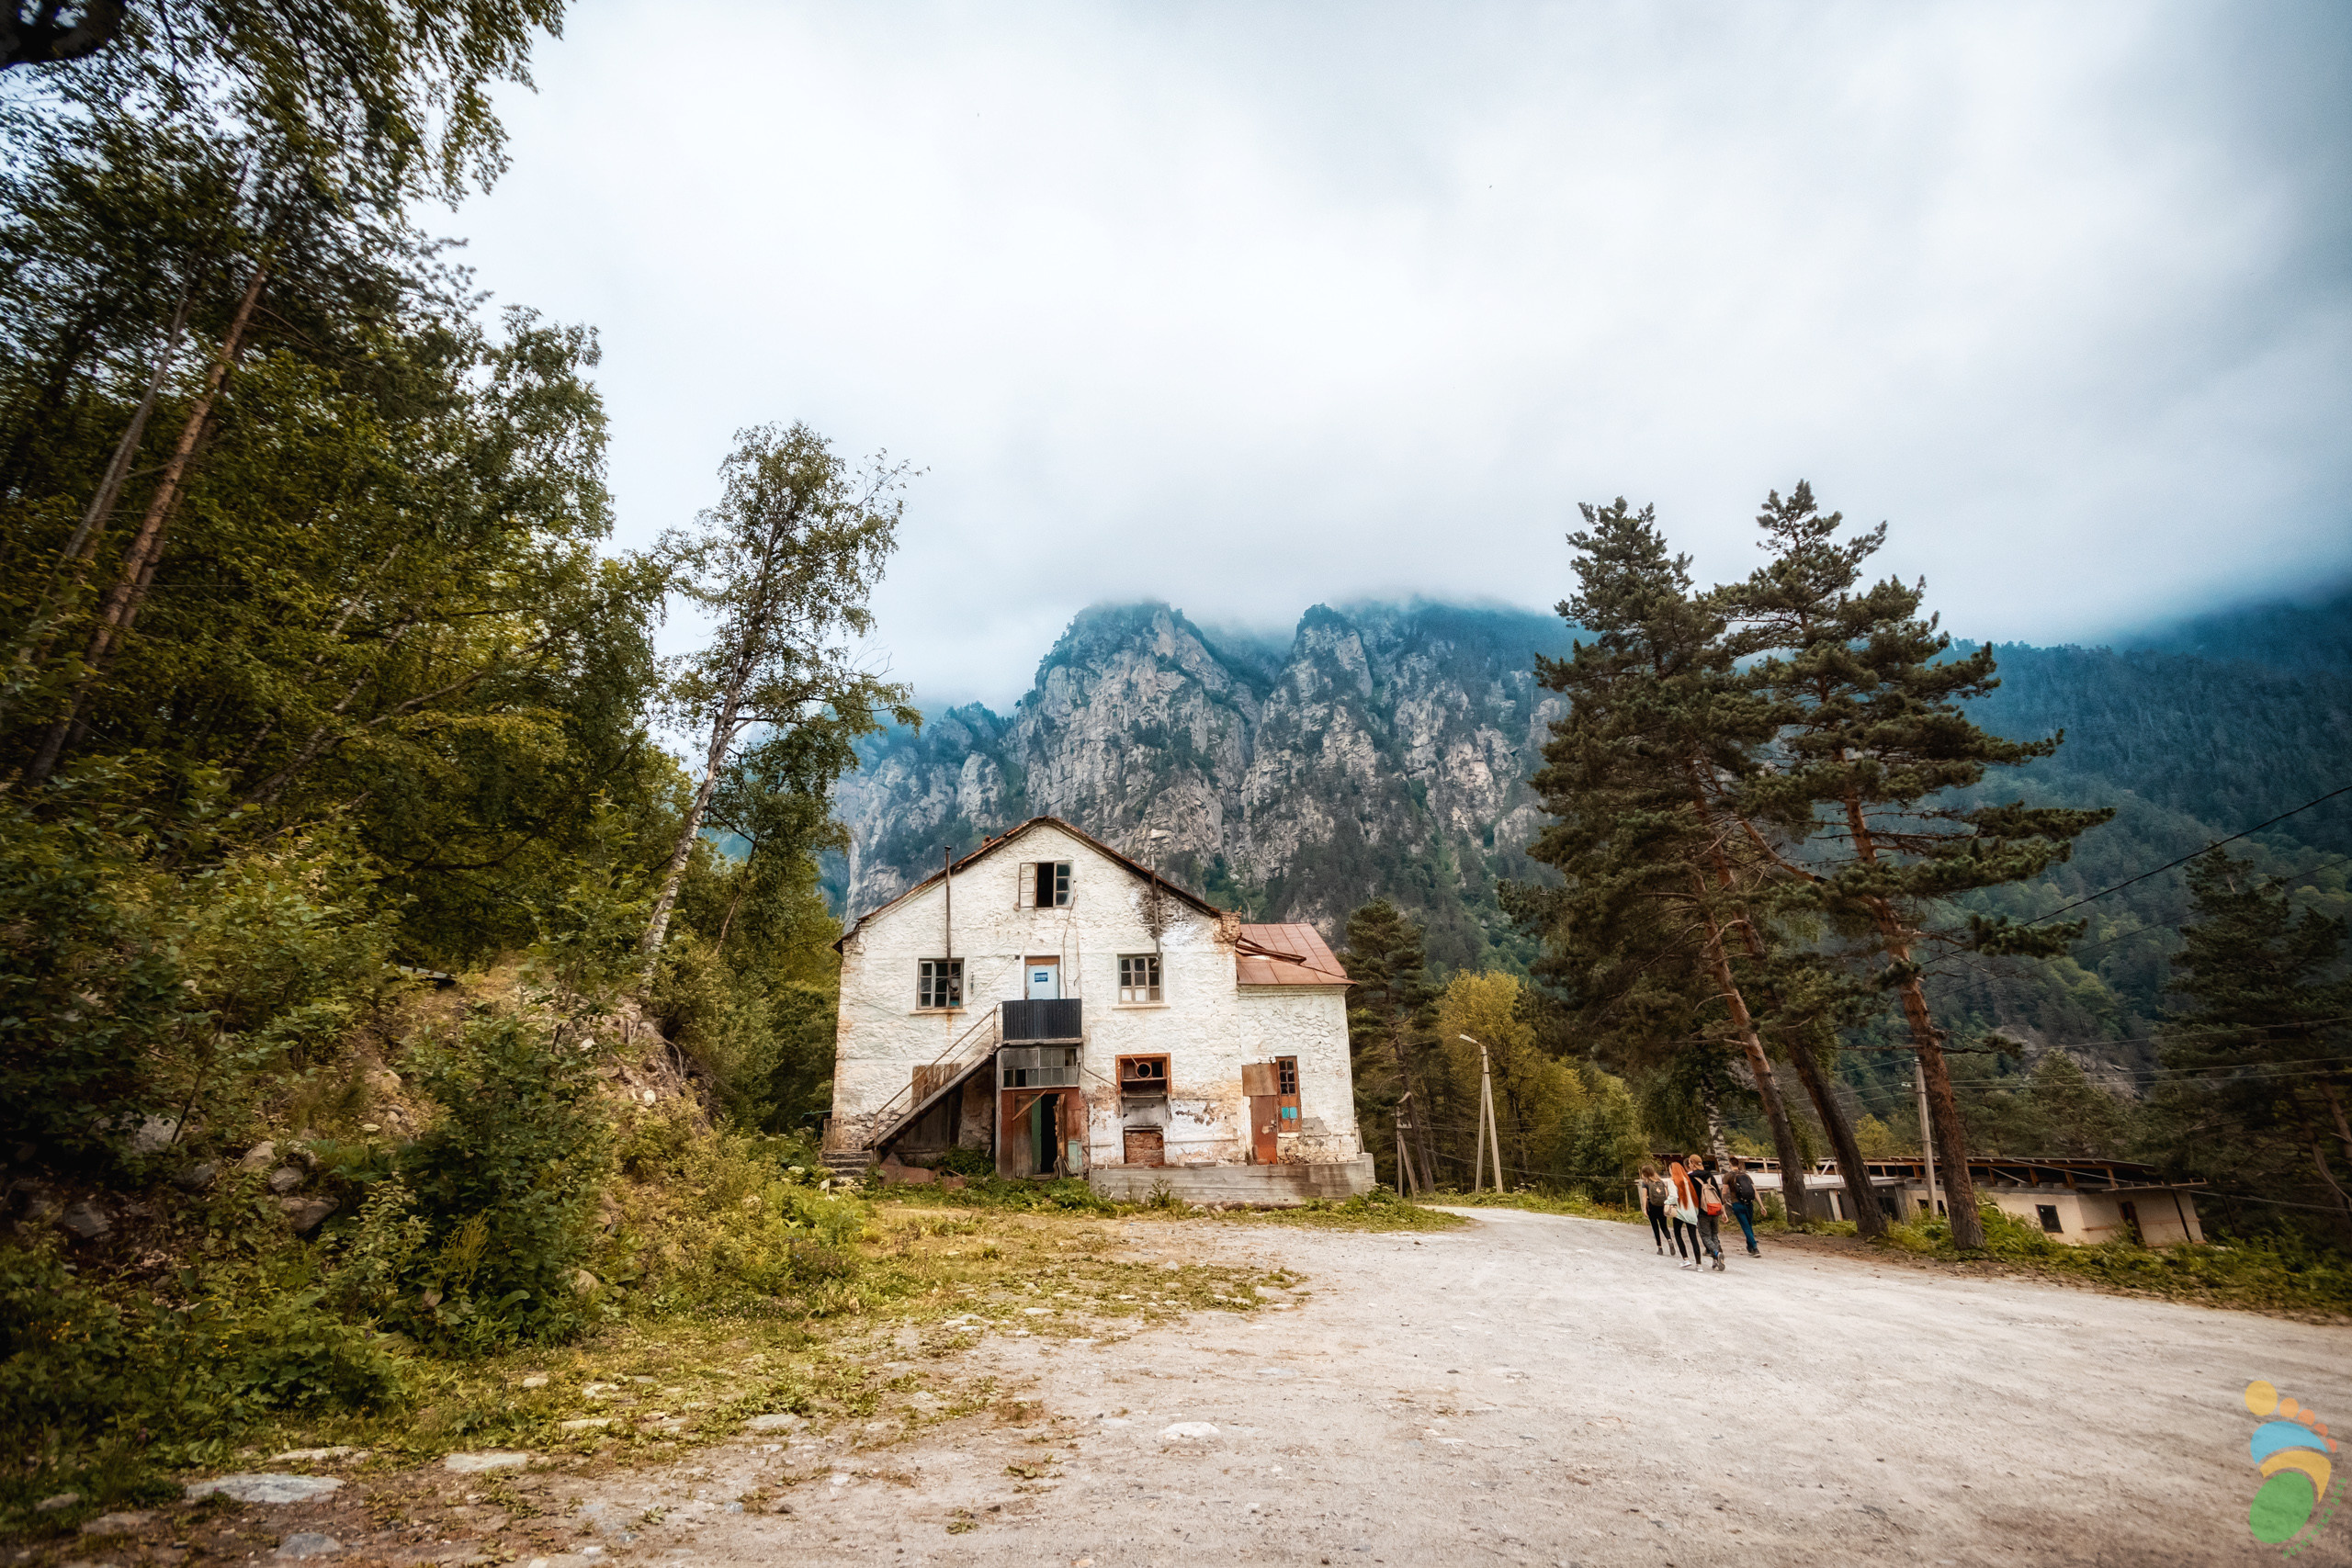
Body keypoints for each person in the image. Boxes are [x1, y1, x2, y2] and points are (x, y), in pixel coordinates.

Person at [1688, 1152, 1726, 1272]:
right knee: (1714, 1235)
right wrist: (1723, 1210)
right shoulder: (1710, 1175)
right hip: (1715, 1208)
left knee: (1705, 1236)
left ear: (1692, 1164)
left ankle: (1716, 1252)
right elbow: (1718, 1194)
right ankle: (1716, 1260)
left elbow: (1691, 1195)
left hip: (1702, 1210)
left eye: (1689, 1162)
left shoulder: (1691, 1177)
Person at [1667, 1159, 1702, 1270]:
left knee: (1677, 1234)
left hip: (1680, 1212)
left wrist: (1666, 1202)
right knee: (1693, 1238)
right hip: (1691, 1212)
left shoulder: (1672, 1181)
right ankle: (1699, 1264)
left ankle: (1686, 1259)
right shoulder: (1688, 1181)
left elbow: (1673, 1196)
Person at [1725, 1160, 1761, 1257]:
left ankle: (1755, 1248)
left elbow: (1724, 1191)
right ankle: (1750, 1247)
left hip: (1737, 1204)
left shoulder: (1728, 1176)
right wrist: (1762, 1206)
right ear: (1739, 1164)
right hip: (1749, 1203)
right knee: (1749, 1226)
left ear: (1730, 1164)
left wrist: (1723, 1202)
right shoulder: (1746, 1176)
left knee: (1746, 1227)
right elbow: (1755, 1191)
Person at [1639, 1163, 1675, 1257]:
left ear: (1645, 1173)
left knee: (1655, 1227)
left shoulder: (1645, 1183)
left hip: (1651, 1206)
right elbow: (1666, 1194)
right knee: (1664, 1226)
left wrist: (1644, 1209)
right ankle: (1669, 1240)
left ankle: (1660, 1248)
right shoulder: (1660, 1181)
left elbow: (1644, 1196)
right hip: (1661, 1206)